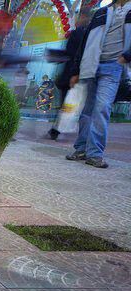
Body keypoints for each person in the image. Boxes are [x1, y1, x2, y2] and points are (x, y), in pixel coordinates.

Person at [66, 0, 131, 168]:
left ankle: (95, 153)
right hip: (91, 65)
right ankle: (81, 149)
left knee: (102, 107)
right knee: (86, 110)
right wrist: (75, 70)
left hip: (113, 67)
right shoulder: (101, 12)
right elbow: (85, 42)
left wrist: (127, 56)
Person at [47, 10, 91, 139]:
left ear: (83, 17)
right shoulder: (86, 33)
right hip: (78, 73)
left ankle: (57, 130)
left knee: (67, 104)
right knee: (71, 104)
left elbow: (71, 54)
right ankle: (58, 129)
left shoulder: (78, 33)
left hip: (72, 74)